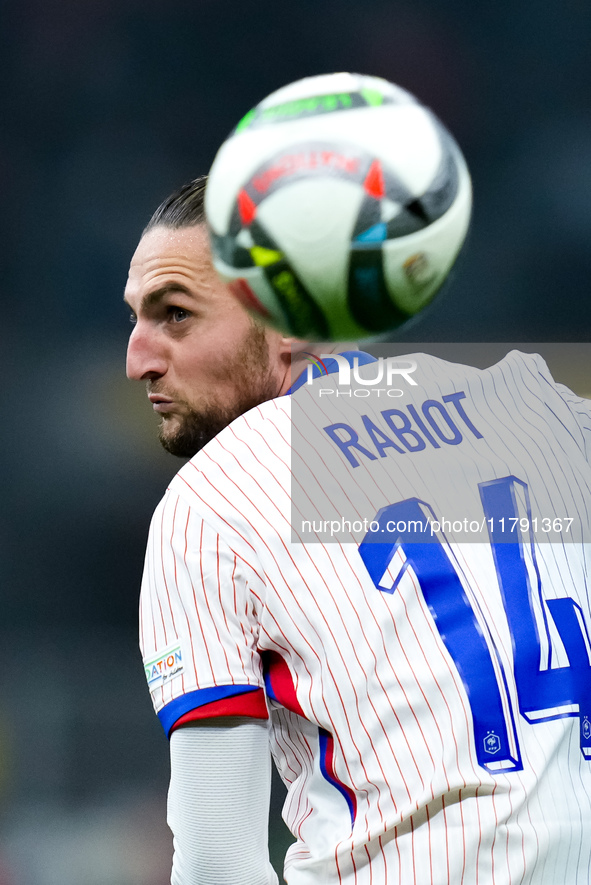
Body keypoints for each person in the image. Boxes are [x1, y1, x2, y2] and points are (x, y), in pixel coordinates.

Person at [125, 177, 591, 885]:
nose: (138, 359)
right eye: (134, 319)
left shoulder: (210, 498)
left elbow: (218, 859)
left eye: (176, 315)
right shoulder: (539, 407)